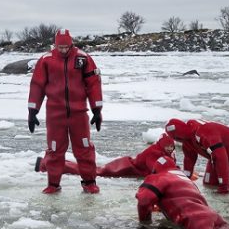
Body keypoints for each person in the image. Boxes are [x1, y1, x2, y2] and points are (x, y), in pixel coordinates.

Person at [27, 29, 103, 194]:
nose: (63, 50)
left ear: (71, 44)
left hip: (79, 113)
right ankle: (53, 184)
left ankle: (89, 182)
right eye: (60, 47)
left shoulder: (83, 58)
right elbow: (37, 85)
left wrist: (97, 109)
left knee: (84, 148)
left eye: (66, 47)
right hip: (55, 115)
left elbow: (93, 84)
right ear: (55, 45)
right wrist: (32, 111)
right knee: (54, 150)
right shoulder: (46, 60)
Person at [136, 156, 229, 229]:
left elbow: (144, 200)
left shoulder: (158, 177)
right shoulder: (186, 180)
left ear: (155, 171)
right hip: (215, 217)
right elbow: (182, 199)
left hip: (196, 221)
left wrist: (145, 224)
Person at [164, 118, 229, 194]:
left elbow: (221, 158)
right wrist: (185, 180)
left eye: (177, 137)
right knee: (209, 183)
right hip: (215, 154)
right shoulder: (187, 140)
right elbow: (189, 159)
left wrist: (224, 185)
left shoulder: (205, 133)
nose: (177, 139)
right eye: (175, 138)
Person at [33, 133, 177, 179]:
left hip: (126, 165)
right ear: (162, 145)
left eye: (171, 146)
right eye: (168, 146)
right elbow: (156, 169)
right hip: (125, 168)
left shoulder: (162, 152)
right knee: (92, 172)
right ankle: (48, 164)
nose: (170, 148)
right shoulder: (156, 153)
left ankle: (50, 161)